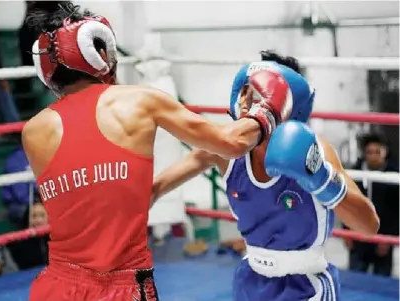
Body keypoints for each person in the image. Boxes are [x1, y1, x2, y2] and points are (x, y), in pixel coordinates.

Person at [22, 2, 293, 301]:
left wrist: (151, 190)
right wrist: (269, 109)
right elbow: (233, 143)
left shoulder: (33, 132)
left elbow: (94, 198)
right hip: (121, 286)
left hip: (56, 286)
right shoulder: (140, 102)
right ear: (98, 53)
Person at [152, 51, 380, 301]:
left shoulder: (316, 151)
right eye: (246, 92)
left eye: (259, 95)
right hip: (250, 281)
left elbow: (368, 225)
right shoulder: (225, 151)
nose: (248, 103)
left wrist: (322, 178)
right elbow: (154, 189)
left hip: (306, 286)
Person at [345, 133, 399, 276]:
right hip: (358, 236)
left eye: (378, 152)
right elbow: (347, 203)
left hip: (383, 236)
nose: (374, 156)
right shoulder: (354, 172)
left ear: (385, 152)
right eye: (370, 152)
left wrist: (389, 237)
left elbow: (396, 211)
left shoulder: (394, 175)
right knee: (355, 282)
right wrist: (346, 232)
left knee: (382, 286)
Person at [9, 200, 49, 270]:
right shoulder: (19, 242)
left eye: (42, 215)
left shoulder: (58, 239)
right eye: (34, 216)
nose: (38, 221)